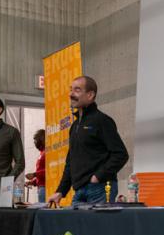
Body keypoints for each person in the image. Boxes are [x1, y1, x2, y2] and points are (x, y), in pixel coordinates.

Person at [48, 76, 129, 206]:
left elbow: (120, 154)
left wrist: (97, 177)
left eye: (77, 90)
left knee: (97, 227)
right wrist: (61, 191)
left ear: (90, 95)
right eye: (71, 90)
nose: (71, 94)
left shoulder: (102, 121)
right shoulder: (74, 126)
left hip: (100, 189)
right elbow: (71, 161)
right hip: (79, 190)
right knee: (75, 226)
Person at [25, 129, 46, 203]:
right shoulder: (42, 153)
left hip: (44, 189)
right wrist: (32, 182)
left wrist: (34, 174)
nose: (34, 142)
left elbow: (48, 171)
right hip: (41, 188)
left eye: (36, 140)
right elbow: (41, 177)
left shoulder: (46, 153)